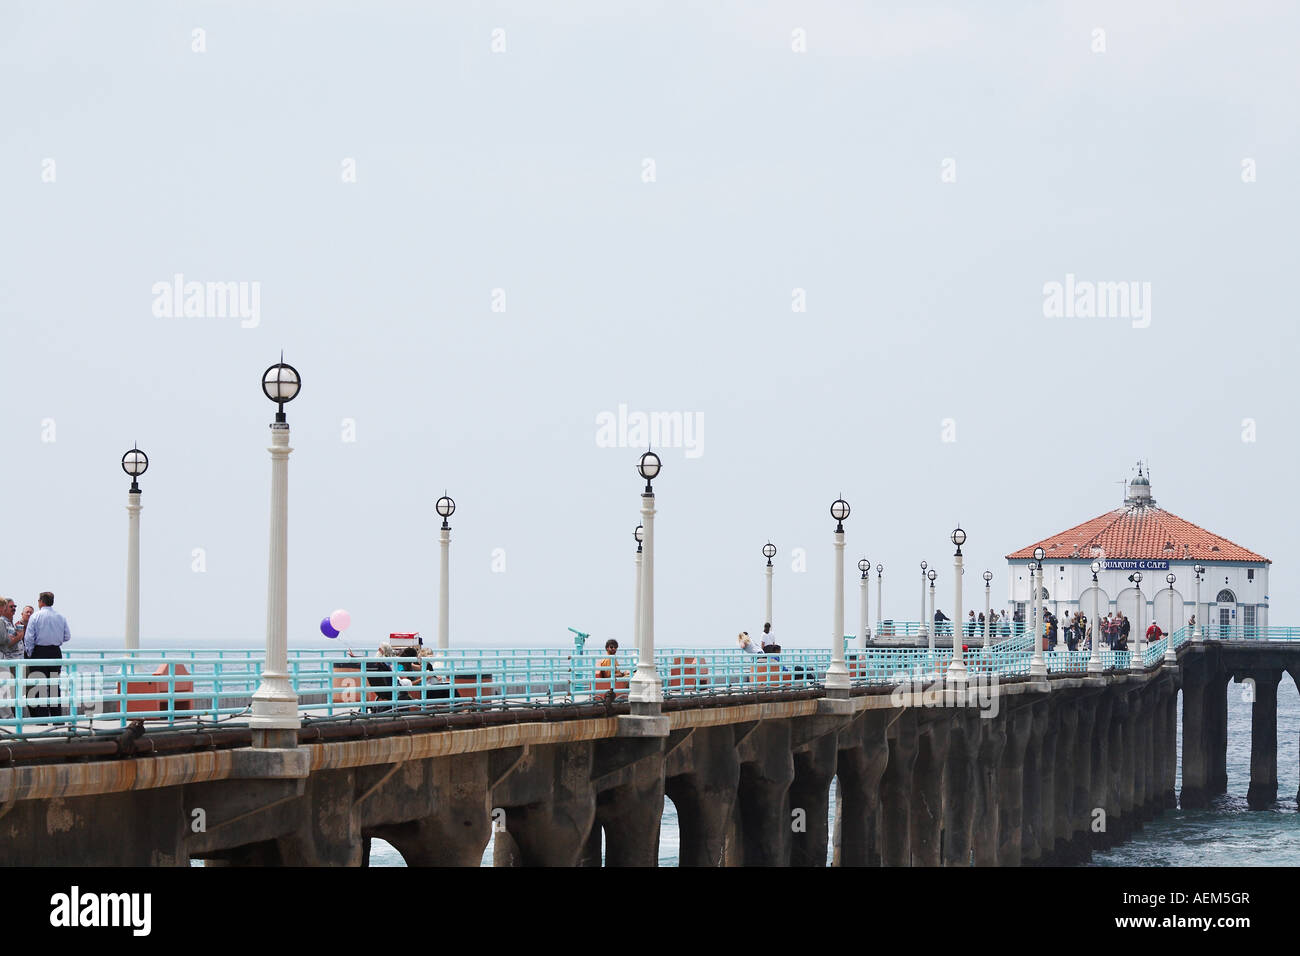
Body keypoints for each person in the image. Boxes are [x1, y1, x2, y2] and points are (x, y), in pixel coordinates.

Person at [24, 591, 71, 719]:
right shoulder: (61, 617)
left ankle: (42, 718)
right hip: (55, 652)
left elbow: (29, 638)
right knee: (54, 686)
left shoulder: (35, 617)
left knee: (40, 686)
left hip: (39, 652)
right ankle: (57, 719)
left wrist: (30, 654)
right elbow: (67, 636)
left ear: (41, 602)